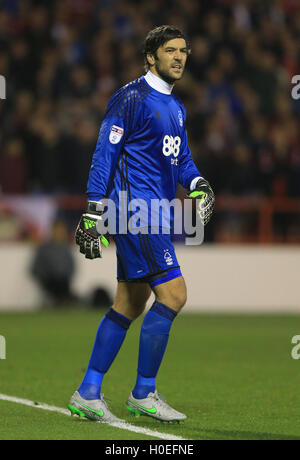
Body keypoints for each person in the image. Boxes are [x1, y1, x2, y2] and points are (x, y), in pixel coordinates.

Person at [68, 25, 215, 423]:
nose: (180, 57)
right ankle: (143, 392)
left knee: (129, 304)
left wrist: (199, 184)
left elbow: (180, 160)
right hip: (135, 213)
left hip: (156, 215)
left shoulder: (177, 108)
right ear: (151, 56)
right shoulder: (131, 97)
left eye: (184, 50)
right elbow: (104, 154)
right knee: (174, 295)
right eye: (171, 50)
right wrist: (92, 212)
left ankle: (88, 391)